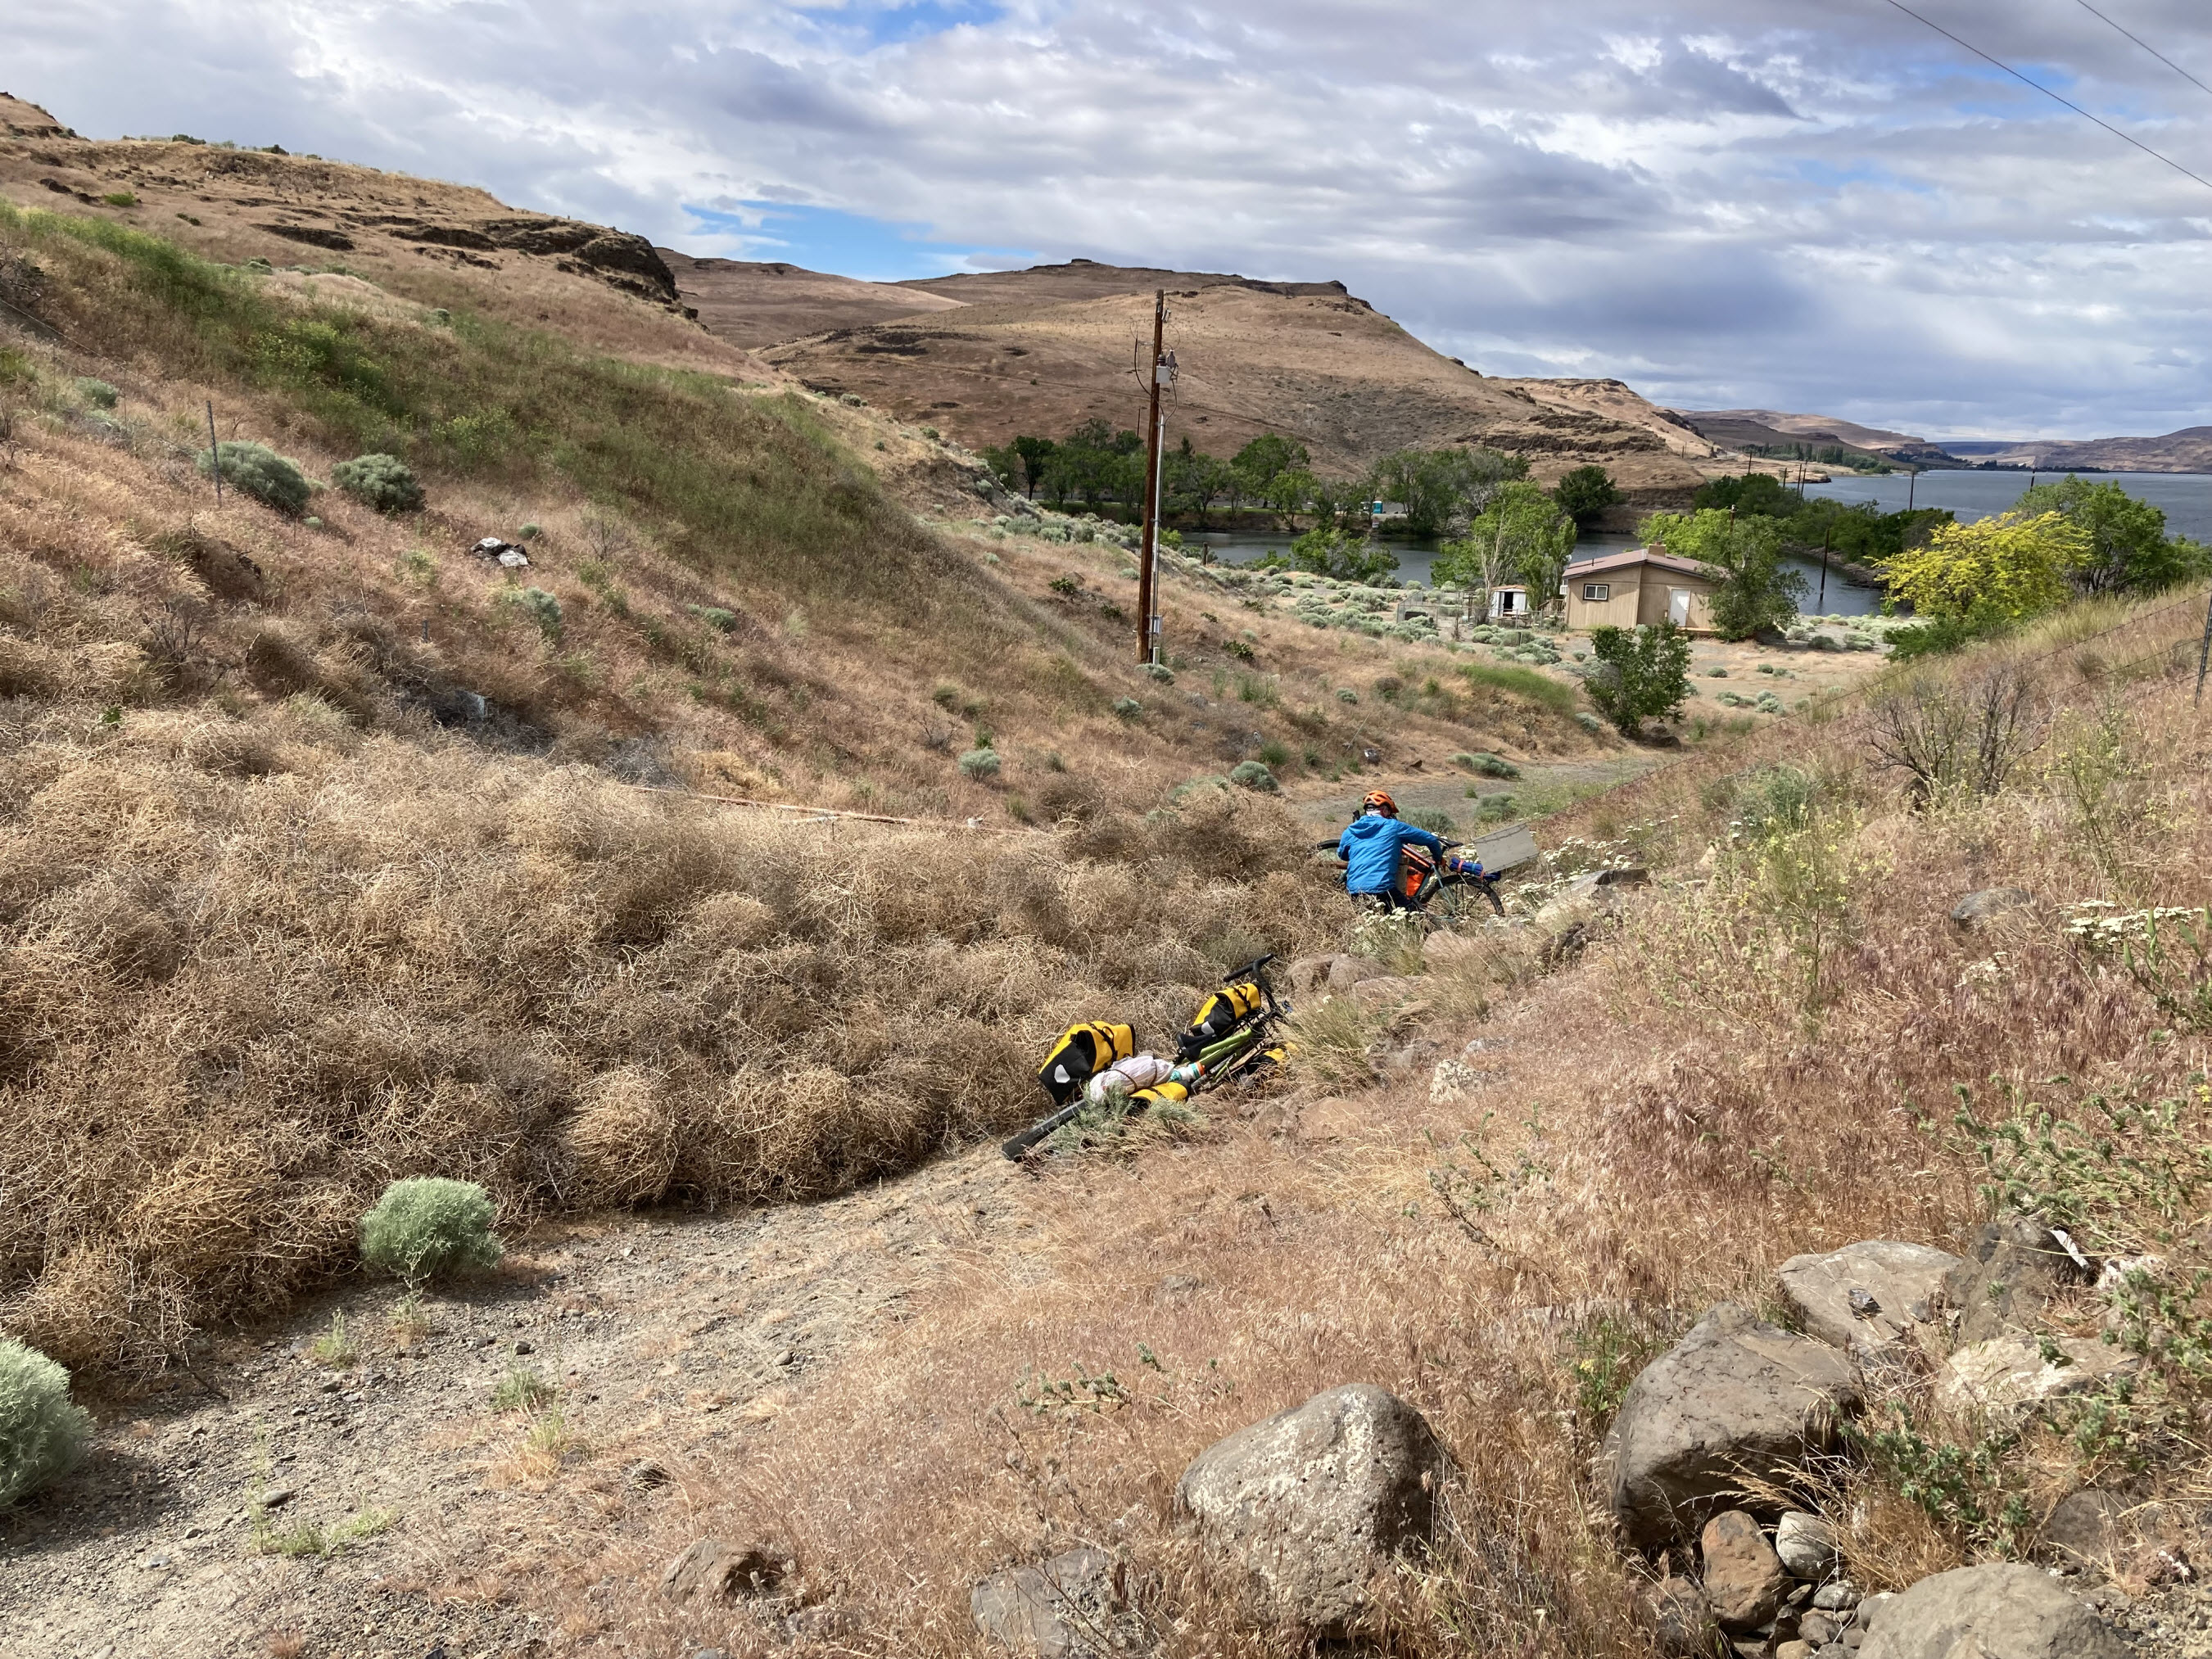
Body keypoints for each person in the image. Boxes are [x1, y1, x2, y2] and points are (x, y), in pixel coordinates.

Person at [1335, 789, 1445, 911]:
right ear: (1385, 810)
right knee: (1414, 917)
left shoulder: (1350, 830)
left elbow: (1343, 855)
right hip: (1382, 888)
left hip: (1354, 891)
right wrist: (1438, 858)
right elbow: (1430, 839)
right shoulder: (1394, 826)